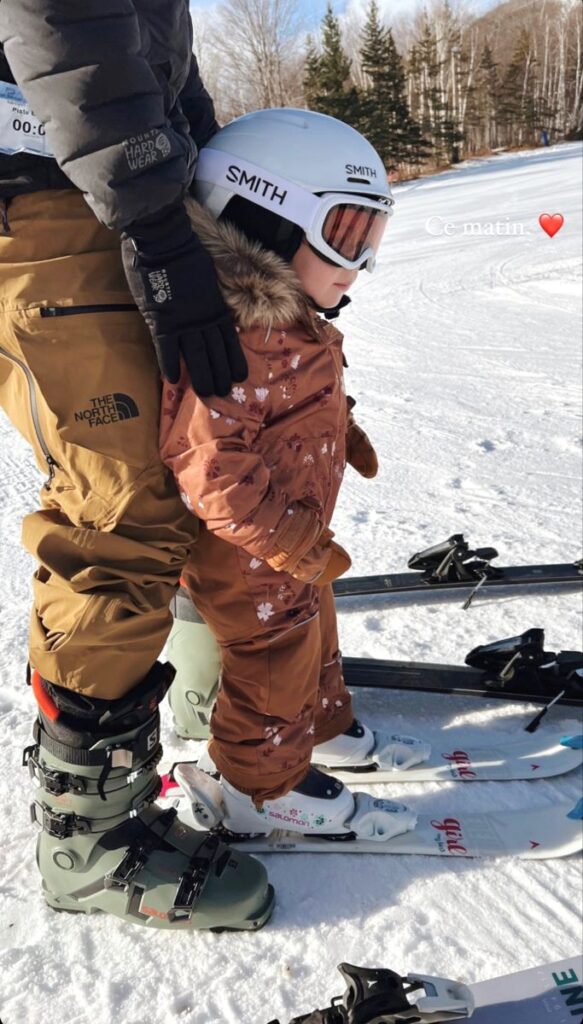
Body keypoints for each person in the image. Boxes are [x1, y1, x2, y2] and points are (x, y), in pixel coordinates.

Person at [0, 1, 273, 930]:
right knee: (122, 512)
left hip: (94, 175)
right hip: (44, 187)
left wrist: (195, 169)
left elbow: (149, 39)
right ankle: (89, 841)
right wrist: (156, 222)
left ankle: (199, 696)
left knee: (193, 456)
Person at [160, 108, 393, 834]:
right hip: (247, 551)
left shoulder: (286, 320)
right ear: (261, 219)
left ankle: (319, 728)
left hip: (286, 538)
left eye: (369, 237)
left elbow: (295, 404)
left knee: (313, 627)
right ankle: (258, 789)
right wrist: (291, 544)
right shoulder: (232, 334)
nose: (359, 261)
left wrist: (343, 430)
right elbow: (211, 469)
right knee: (274, 659)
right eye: (345, 234)